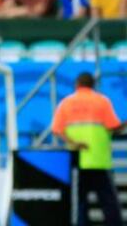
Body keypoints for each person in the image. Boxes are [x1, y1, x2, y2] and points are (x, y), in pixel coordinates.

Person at [52, 72, 125, 226]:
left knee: (80, 203)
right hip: (99, 161)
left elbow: (57, 130)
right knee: (109, 204)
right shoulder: (102, 101)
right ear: (93, 85)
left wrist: (73, 143)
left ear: (77, 84)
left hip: (77, 160)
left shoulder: (66, 103)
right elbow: (114, 127)